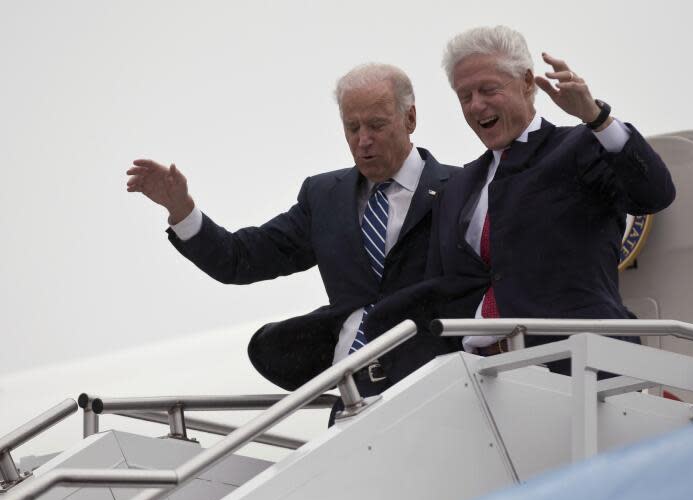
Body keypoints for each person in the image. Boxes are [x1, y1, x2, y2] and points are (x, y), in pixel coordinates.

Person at [125, 63, 458, 422]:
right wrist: (181, 209)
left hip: (440, 388)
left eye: (376, 125)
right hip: (352, 398)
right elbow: (240, 258)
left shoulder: (461, 189)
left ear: (410, 118)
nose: (363, 140)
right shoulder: (323, 197)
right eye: (352, 127)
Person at [367, 26, 675, 373]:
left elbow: (655, 193)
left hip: (579, 372)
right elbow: (442, 292)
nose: (476, 105)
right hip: (478, 379)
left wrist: (596, 118)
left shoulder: (579, 147)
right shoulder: (456, 188)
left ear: (527, 82)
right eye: (464, 96)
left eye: (488, 90)